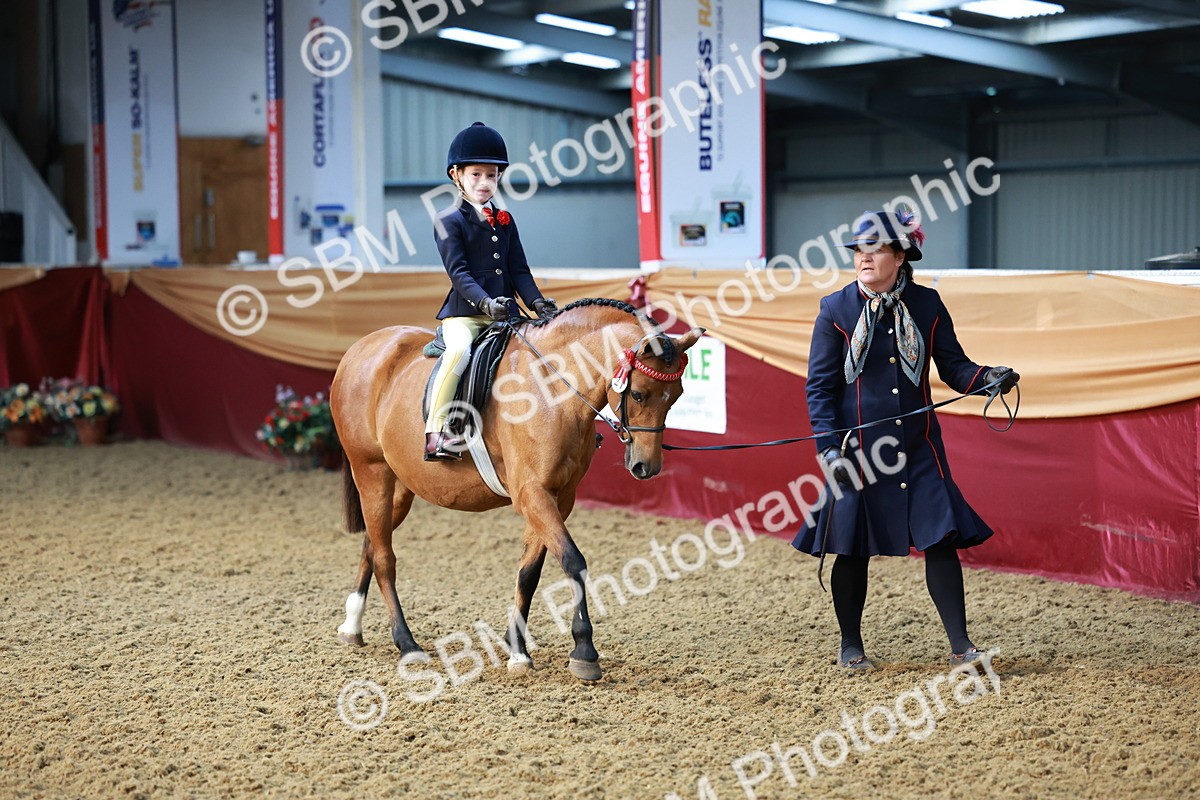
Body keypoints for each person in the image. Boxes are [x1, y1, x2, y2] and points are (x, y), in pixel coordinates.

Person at [792, 209, 1019, 671]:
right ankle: (850, 646)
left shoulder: (928, 304)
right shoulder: (835, 310)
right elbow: (819, 389)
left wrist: (987, 377)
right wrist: (829, 449)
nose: (862, 258)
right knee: (852, 547)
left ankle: (962, 647)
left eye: (873, 250)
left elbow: (954, 367)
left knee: (940, 539)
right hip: (859, 453)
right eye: (858, 251)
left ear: (899, 255)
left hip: (920, 449)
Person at [424, 122, 558, 462]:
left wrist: (537, 303)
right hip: (465, 314)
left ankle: (563, 428)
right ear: (457, 175)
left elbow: (518, 271)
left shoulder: (505, 220)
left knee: (548, 348)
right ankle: (436, 431)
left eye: (492, 176)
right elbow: (459, 274)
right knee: (458, 354)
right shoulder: (448, 220)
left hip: (507, 314)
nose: (485, 183)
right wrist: (484, 302)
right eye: (476, 175)